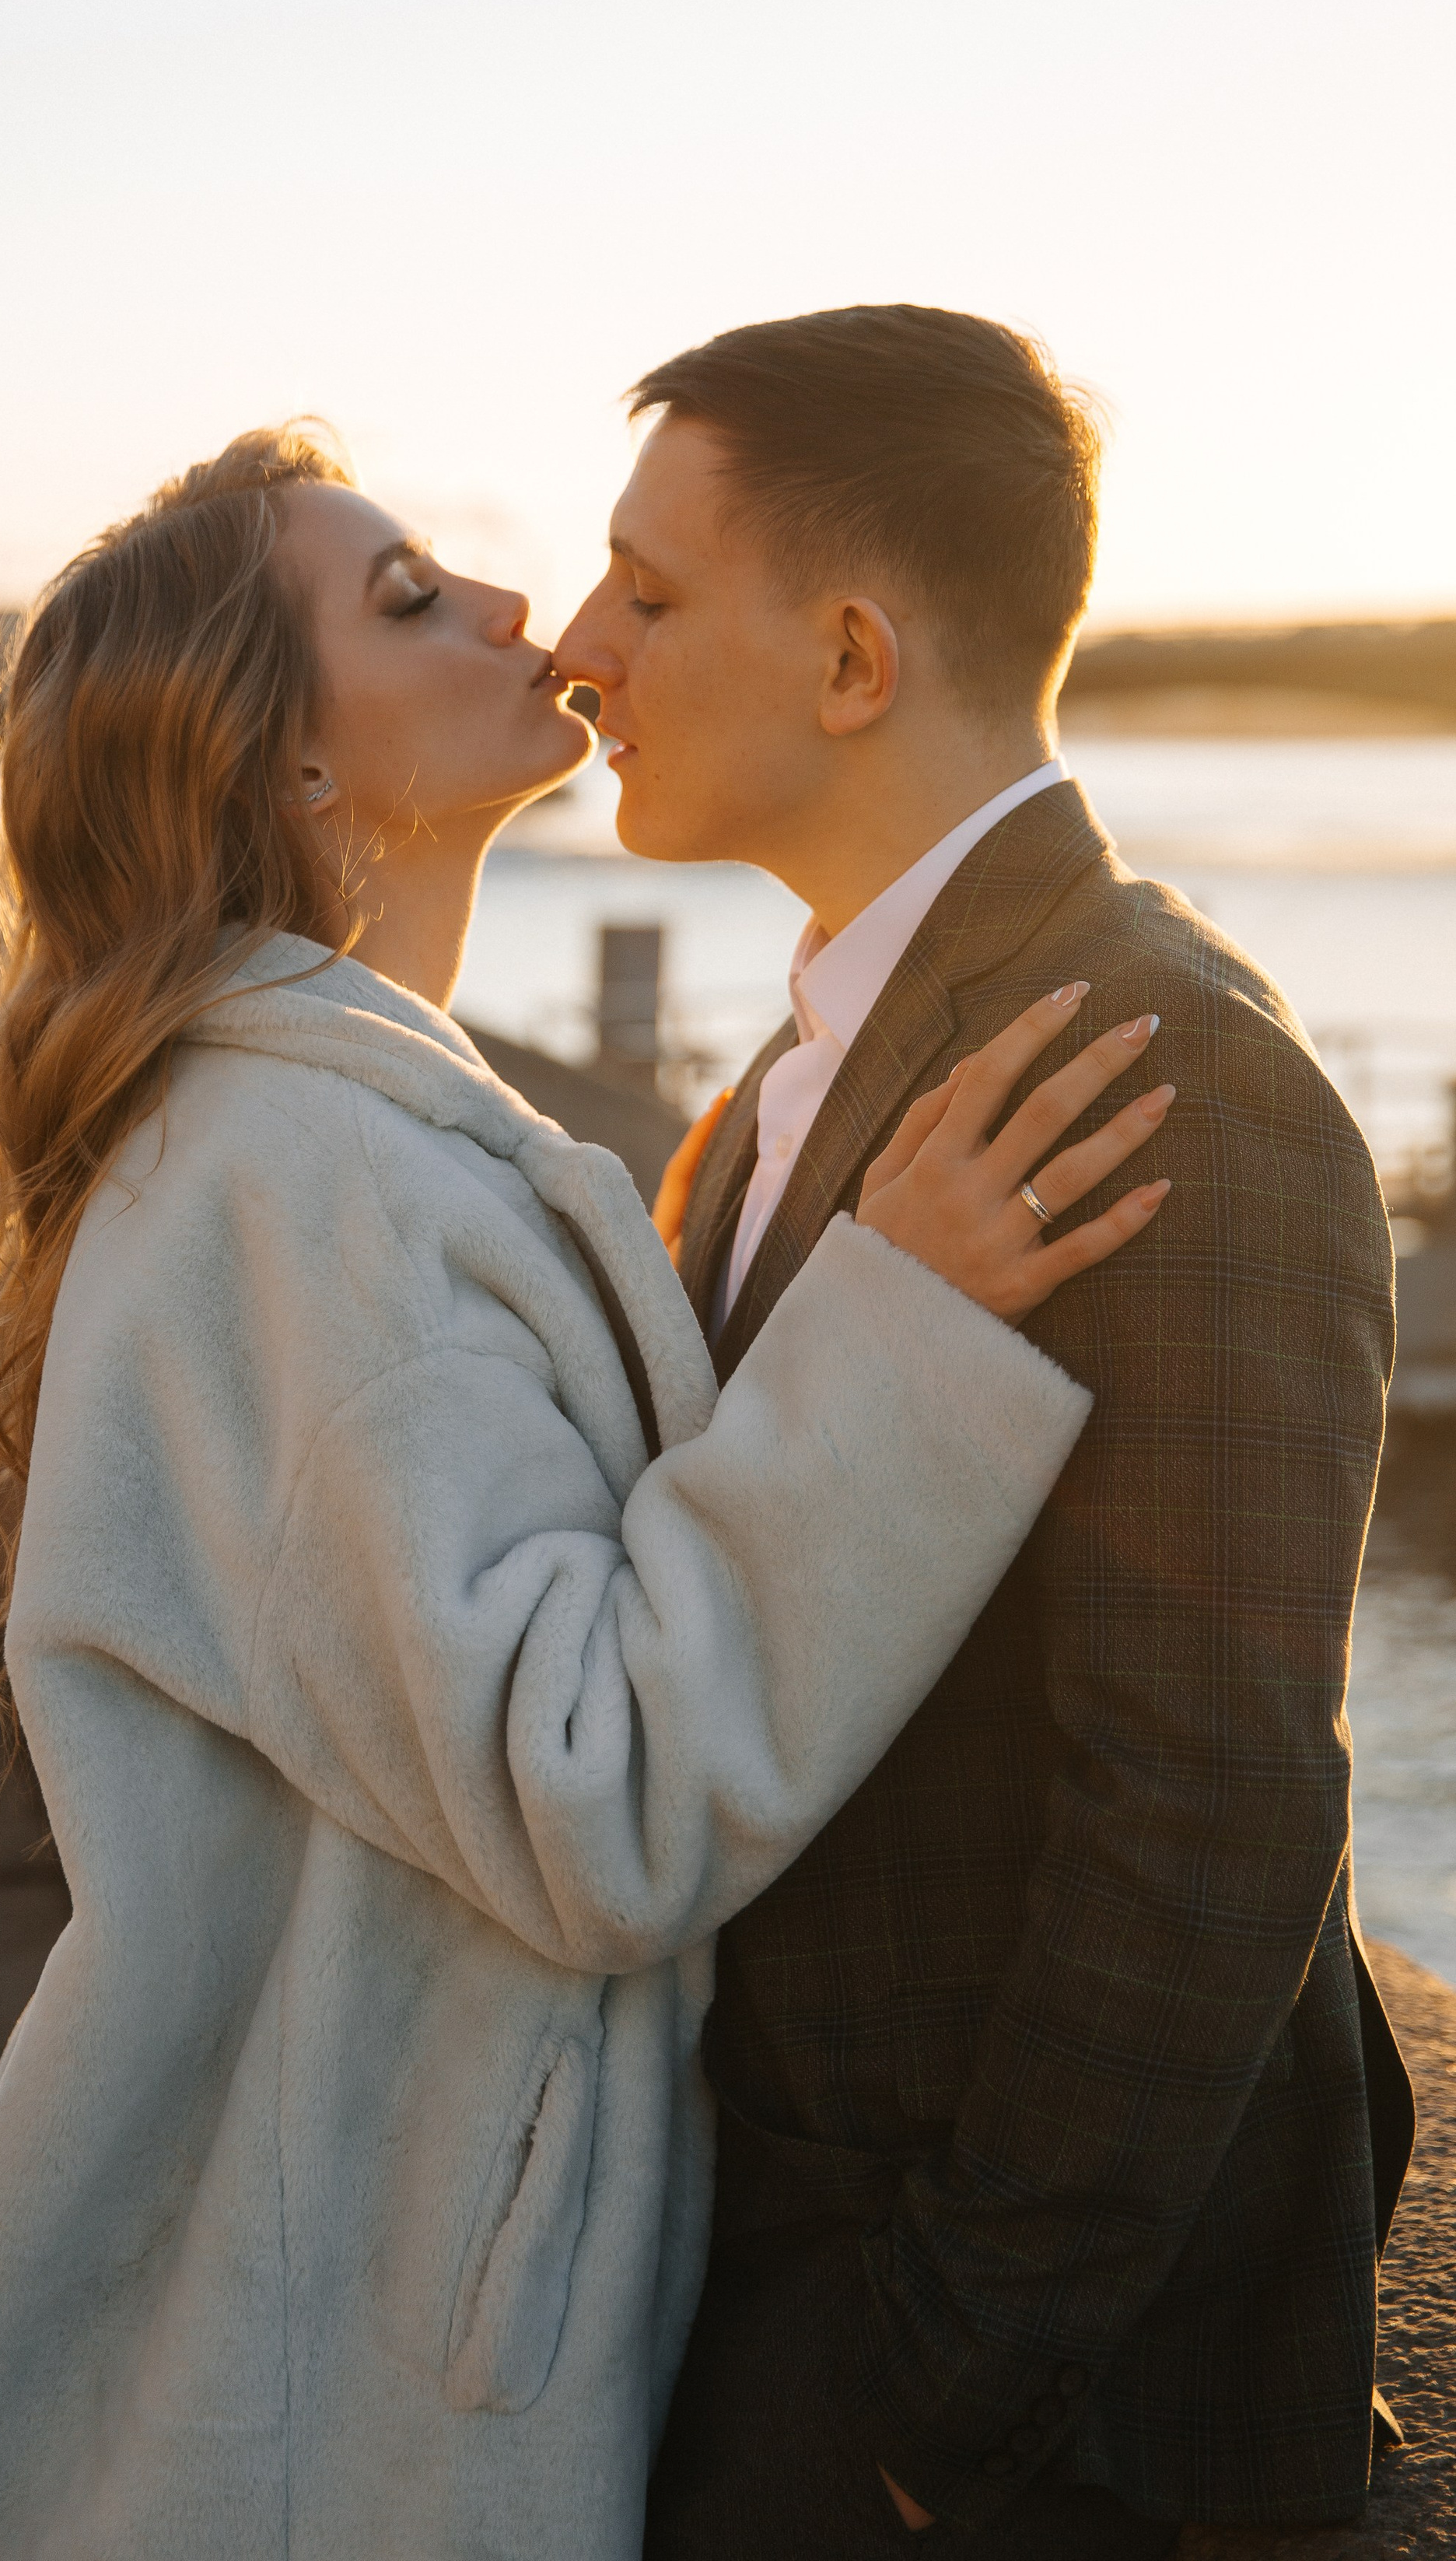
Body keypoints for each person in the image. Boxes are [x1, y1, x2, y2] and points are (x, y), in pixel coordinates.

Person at [0, 425, 1170, 2561]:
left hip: (329, 2295)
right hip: (341, 2398)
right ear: (281, 767)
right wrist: (902, 1337)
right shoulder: (310, 1188)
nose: (519, 614)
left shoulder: (318, 1137)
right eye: (403, 599)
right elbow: (594, 1792)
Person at [554, 305, 1413, 2559]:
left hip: (1015, 2437)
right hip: (784, 2302)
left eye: (647, 591)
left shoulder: (1170, 1074)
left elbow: (1220, 1796)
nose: (575, 646)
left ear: (854, 659)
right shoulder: (792, 1075)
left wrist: (940, 2396)